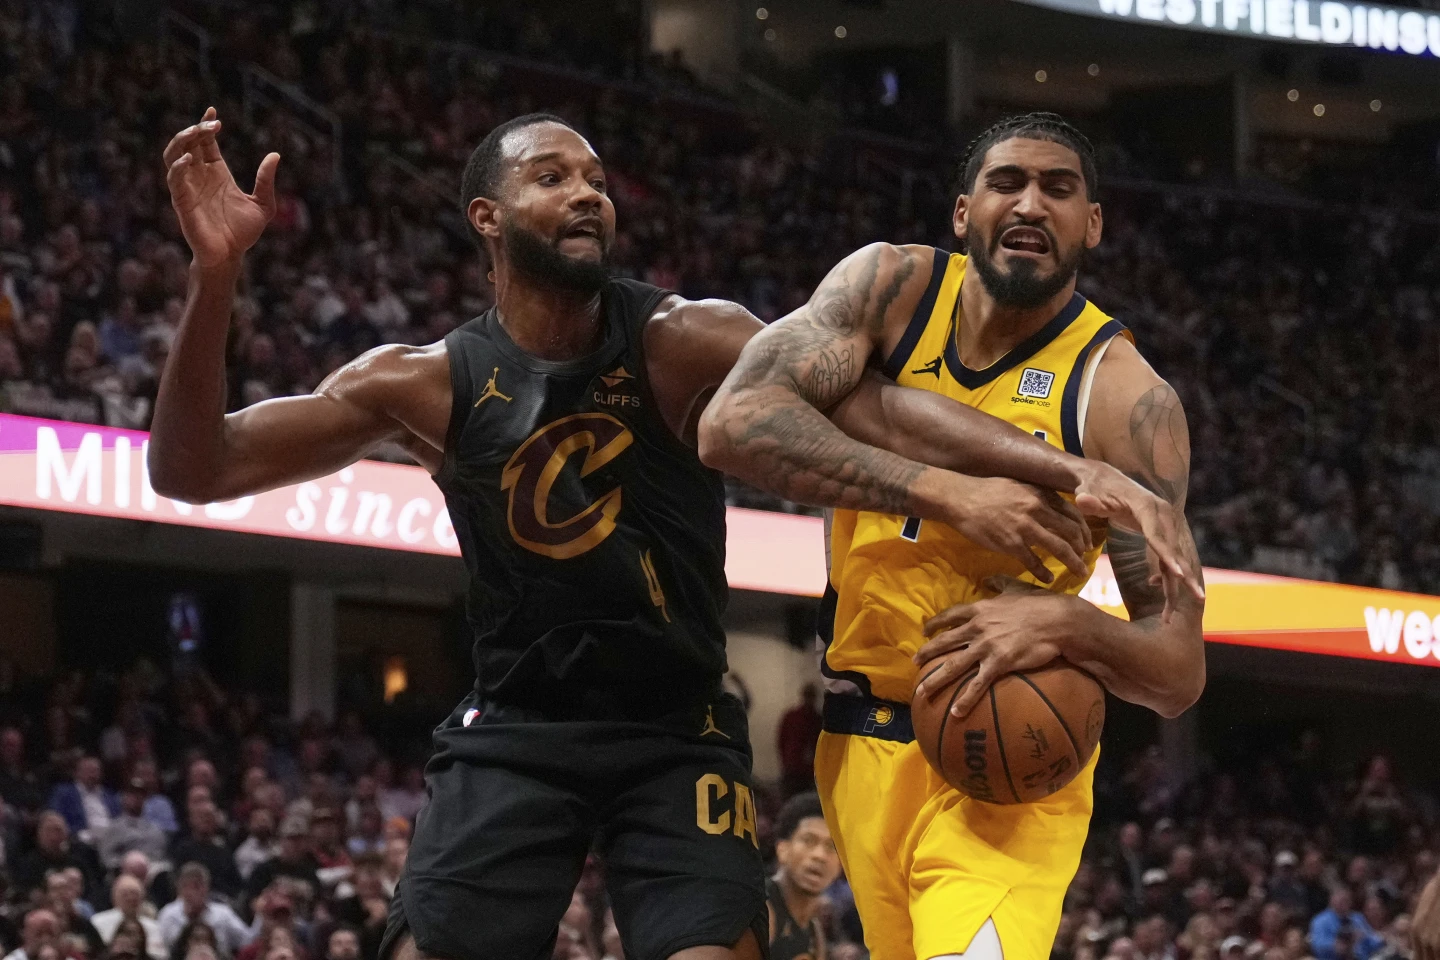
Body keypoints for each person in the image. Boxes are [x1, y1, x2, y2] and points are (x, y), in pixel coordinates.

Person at [151, 109, 1182, 960]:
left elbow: (881, 409)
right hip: (517, 729)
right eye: (552, 177)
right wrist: (215, 277)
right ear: (487, 217)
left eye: (597, 179)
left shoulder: (683, 339)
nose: (587, 193)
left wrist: (1053, 469)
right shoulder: (421, 382)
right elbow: (193, 469)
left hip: (677, 732)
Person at [703, 111, 1208, 960]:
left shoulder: (1127, 399)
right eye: (1007, 182)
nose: (1031, 203)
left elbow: (1179, 669)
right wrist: (953, 495)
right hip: (858, 742)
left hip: (1009, 766)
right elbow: (732, 426)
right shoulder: (890, 292)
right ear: (963, 210)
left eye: (1058, 189)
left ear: (1092, 223)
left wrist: (1067, 623)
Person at [767, 793, 841, 960]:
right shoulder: (760, 907)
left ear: (840, 866)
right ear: (782, 849)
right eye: (809, 841)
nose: (820, 855)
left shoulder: (815, 932)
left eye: (831, 846)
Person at [157, 864, 254, 958]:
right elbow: (160, 950)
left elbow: (248, 941)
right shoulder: (168, 915)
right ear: (179, 889)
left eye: (197, 886)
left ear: (207, 887)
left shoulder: (223, 914)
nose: (192, 892)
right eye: (186, 886)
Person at [99, 779, 170, 871]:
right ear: (124, 798)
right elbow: (106, 858)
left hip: (152, 869)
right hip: (125, 871)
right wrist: (127, 864)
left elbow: (161, 854)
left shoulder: (155, 829)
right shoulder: (114, 828)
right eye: (131, 794)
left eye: (140, 795)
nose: (136, 798)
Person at [47, 755, 118, 846]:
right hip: (80, 840)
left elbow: (119, 819)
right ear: (77, 773)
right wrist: (78, 834)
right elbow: (56, 817)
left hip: (111, 838)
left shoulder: (110, 796)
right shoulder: (64, 793)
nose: (92, 775)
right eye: (88, 771)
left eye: (96, 771)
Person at [91, 876, 165, 960]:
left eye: (135, 894)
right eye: (125, 894)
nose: (131, 898)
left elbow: (161, 955)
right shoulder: (98, 922)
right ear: (114, 897)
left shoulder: (154, 927)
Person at [776, 686, 822, 798]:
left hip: (801, 769)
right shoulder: (816, 720)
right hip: (797, 769)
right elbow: (782, 741)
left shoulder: (815, 719)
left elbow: (782, 741)